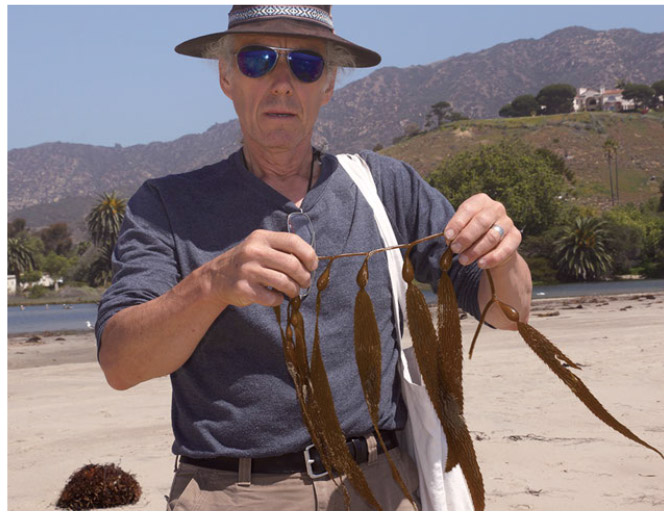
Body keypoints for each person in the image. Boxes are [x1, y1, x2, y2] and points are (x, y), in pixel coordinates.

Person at [95, 5, 532, 511]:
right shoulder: (166, 205)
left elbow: (508, 313)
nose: (282, 83)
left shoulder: (386, 186)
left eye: (306, 65)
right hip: (231, 494)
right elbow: (120, 364)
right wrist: (213, 282)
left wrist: (501, 254)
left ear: (327, 86)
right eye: (257, 60)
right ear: (226, 76)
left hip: (381, 483)